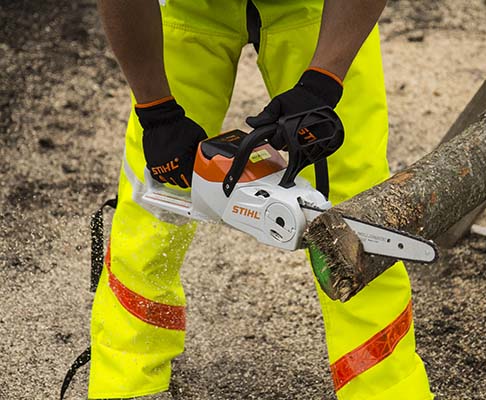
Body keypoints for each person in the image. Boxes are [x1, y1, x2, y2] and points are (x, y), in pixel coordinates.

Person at [89, 0, 433, 398]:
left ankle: (388, 390)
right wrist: (156, 110)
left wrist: (323, 80)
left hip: (315, 9)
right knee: (153, 204)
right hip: (188, 10)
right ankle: (125, 384)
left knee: (358, 216)